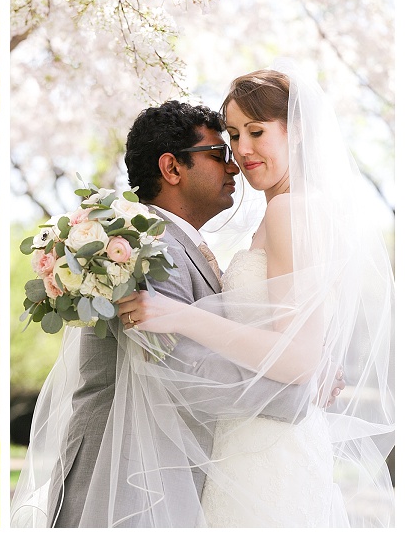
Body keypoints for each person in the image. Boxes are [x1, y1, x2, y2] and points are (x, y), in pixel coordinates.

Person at [11, 99, 340, 527]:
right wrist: (300, 387)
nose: (235, 166)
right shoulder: (143, 247)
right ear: (172, 168)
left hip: (170, 475)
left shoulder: (176, 244)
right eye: (219, 153)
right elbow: (180, 369)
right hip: (125, 482)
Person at [117, 64, 394, 526]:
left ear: (297, 132)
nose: (242, 151)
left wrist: (181, 316)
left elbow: (297, 360)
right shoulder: (289, 211)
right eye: (232, 135)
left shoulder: (290, 211)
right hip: (249, 441)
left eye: (257, 131)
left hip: (267, 449)